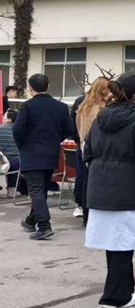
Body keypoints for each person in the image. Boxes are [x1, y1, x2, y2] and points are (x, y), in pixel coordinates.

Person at [83, 73, 135, 308]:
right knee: (123, 243)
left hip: (100, 187)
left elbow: (87, 152)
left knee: (114, 243)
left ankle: (126, 287)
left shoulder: (100, 118)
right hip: (128, 188)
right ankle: (116, 296)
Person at [14, 74, 74, 240]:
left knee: (36, 190)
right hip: (50, 153)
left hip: (31, 153)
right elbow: (69, 129)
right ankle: (31, 220)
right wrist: (55, 139)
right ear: (48, 86)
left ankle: (44, 226)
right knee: (41, 189)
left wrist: (23, 145)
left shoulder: (27, 106)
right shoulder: (61, 107)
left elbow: (17, 130)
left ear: (30, 88)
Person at [76, 78, 112, 224]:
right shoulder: (102, 107)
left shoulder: (83, 106)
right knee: (100, 182)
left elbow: (78, 126)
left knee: (86, 182)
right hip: (99, 148)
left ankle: (86, 216)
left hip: (83, 146)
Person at [0, 110, 23, 196]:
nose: (3, 118)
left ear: (9, 119)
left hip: (1, 162)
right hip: (17, 163)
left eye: (4, 117)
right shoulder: (21, 130)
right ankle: (12, 190)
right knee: (15, 160)